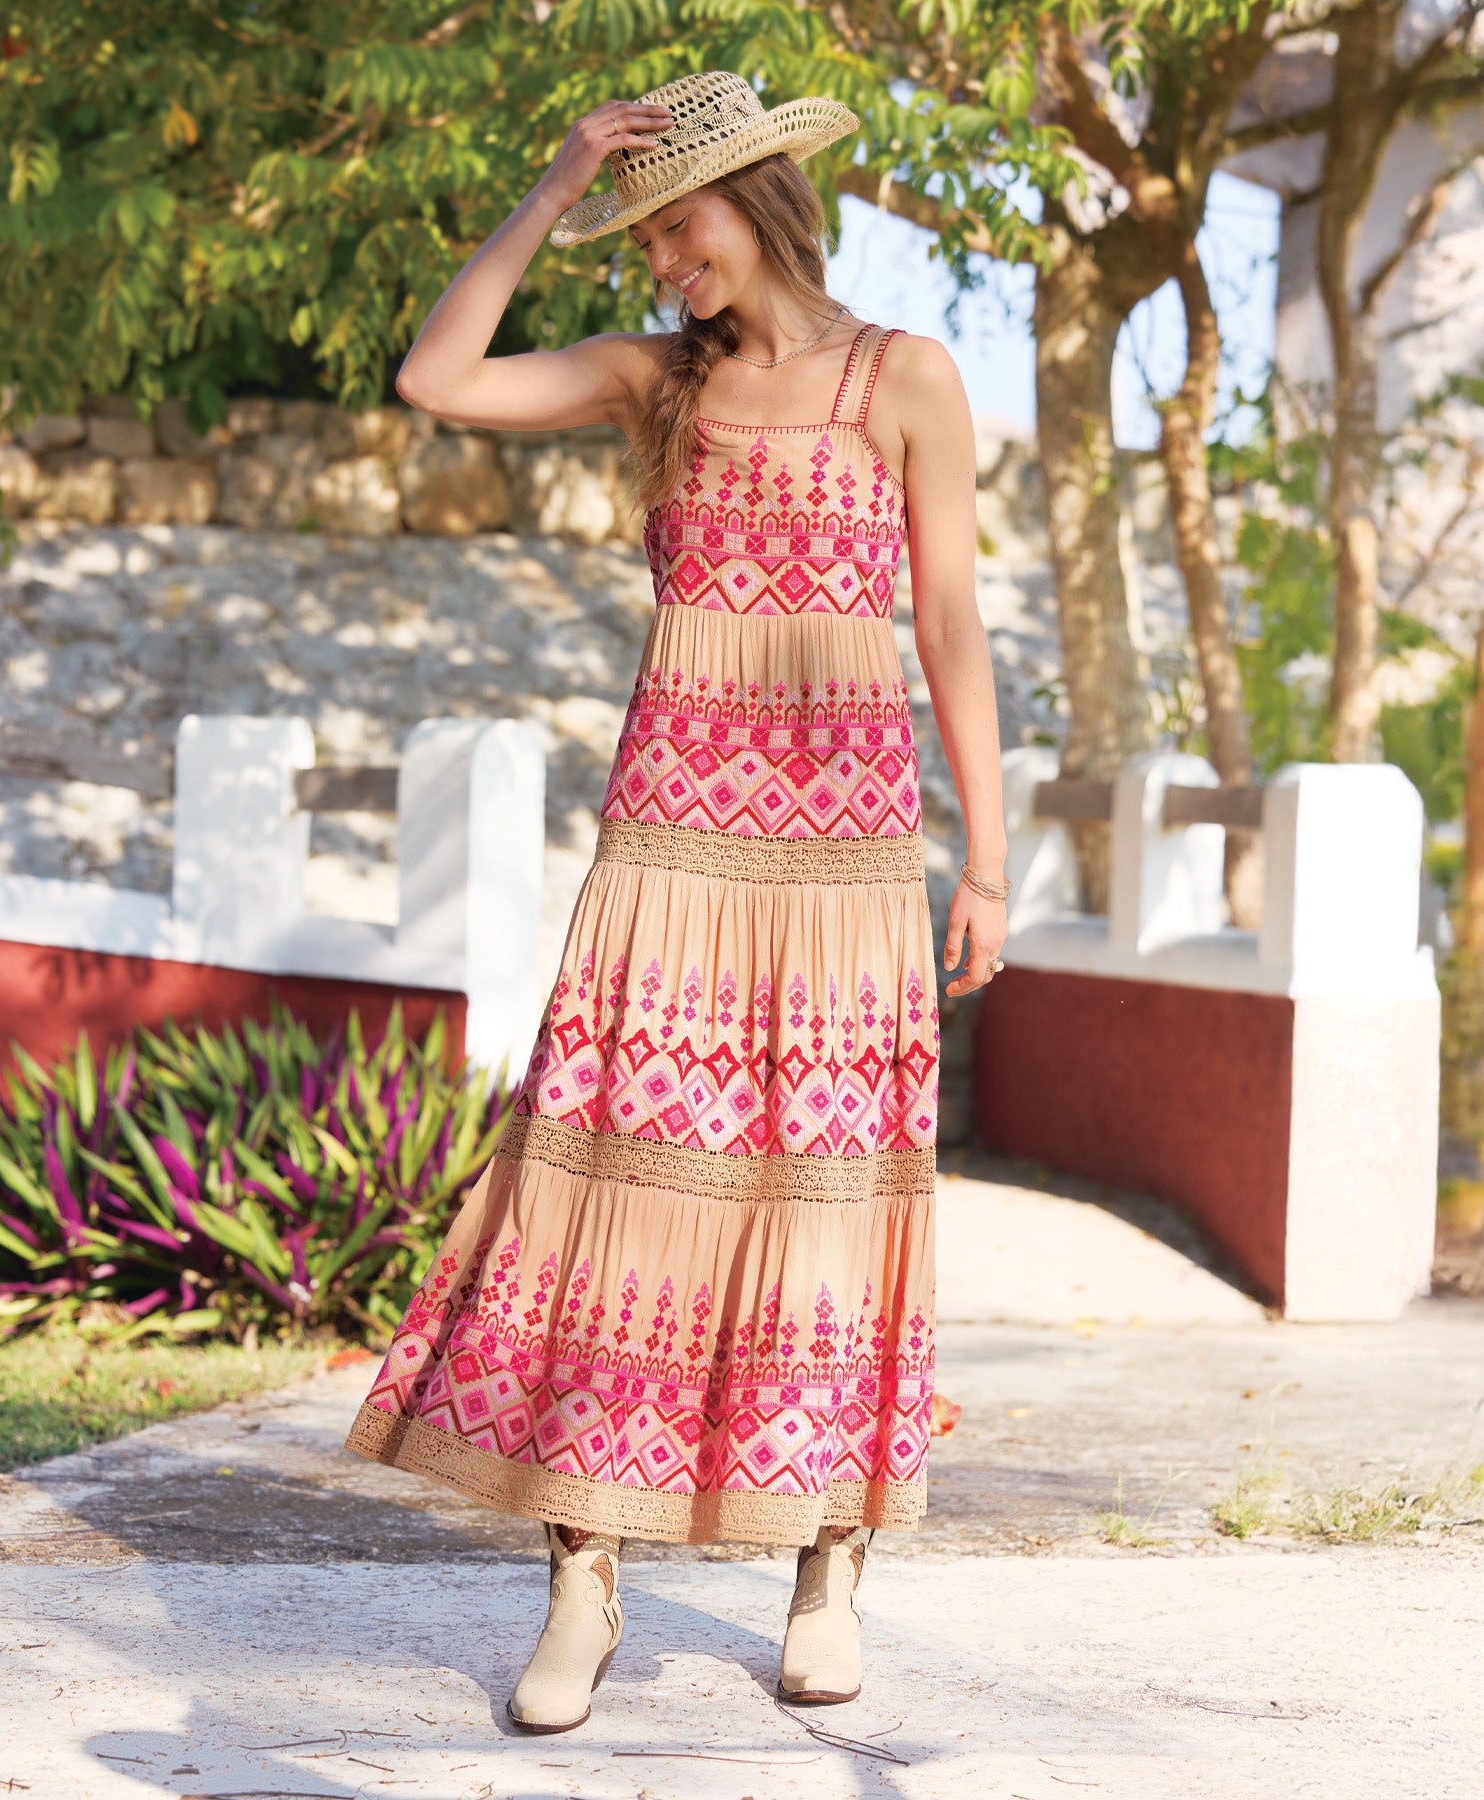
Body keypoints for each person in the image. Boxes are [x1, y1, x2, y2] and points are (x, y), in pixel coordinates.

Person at [345, 70, 1010, 1733]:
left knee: (831, 1209)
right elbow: (436, 378)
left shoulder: (906, 377)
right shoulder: (656, 381)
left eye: (674, 221)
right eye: (638, 234)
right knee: (608, 1198)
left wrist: (988, 860)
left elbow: (951, 629)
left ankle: (829, 1565)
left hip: (848, 864)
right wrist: (560, 178)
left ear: (760, 196)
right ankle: (582, 1577)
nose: (659, 258)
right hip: (669, 850)